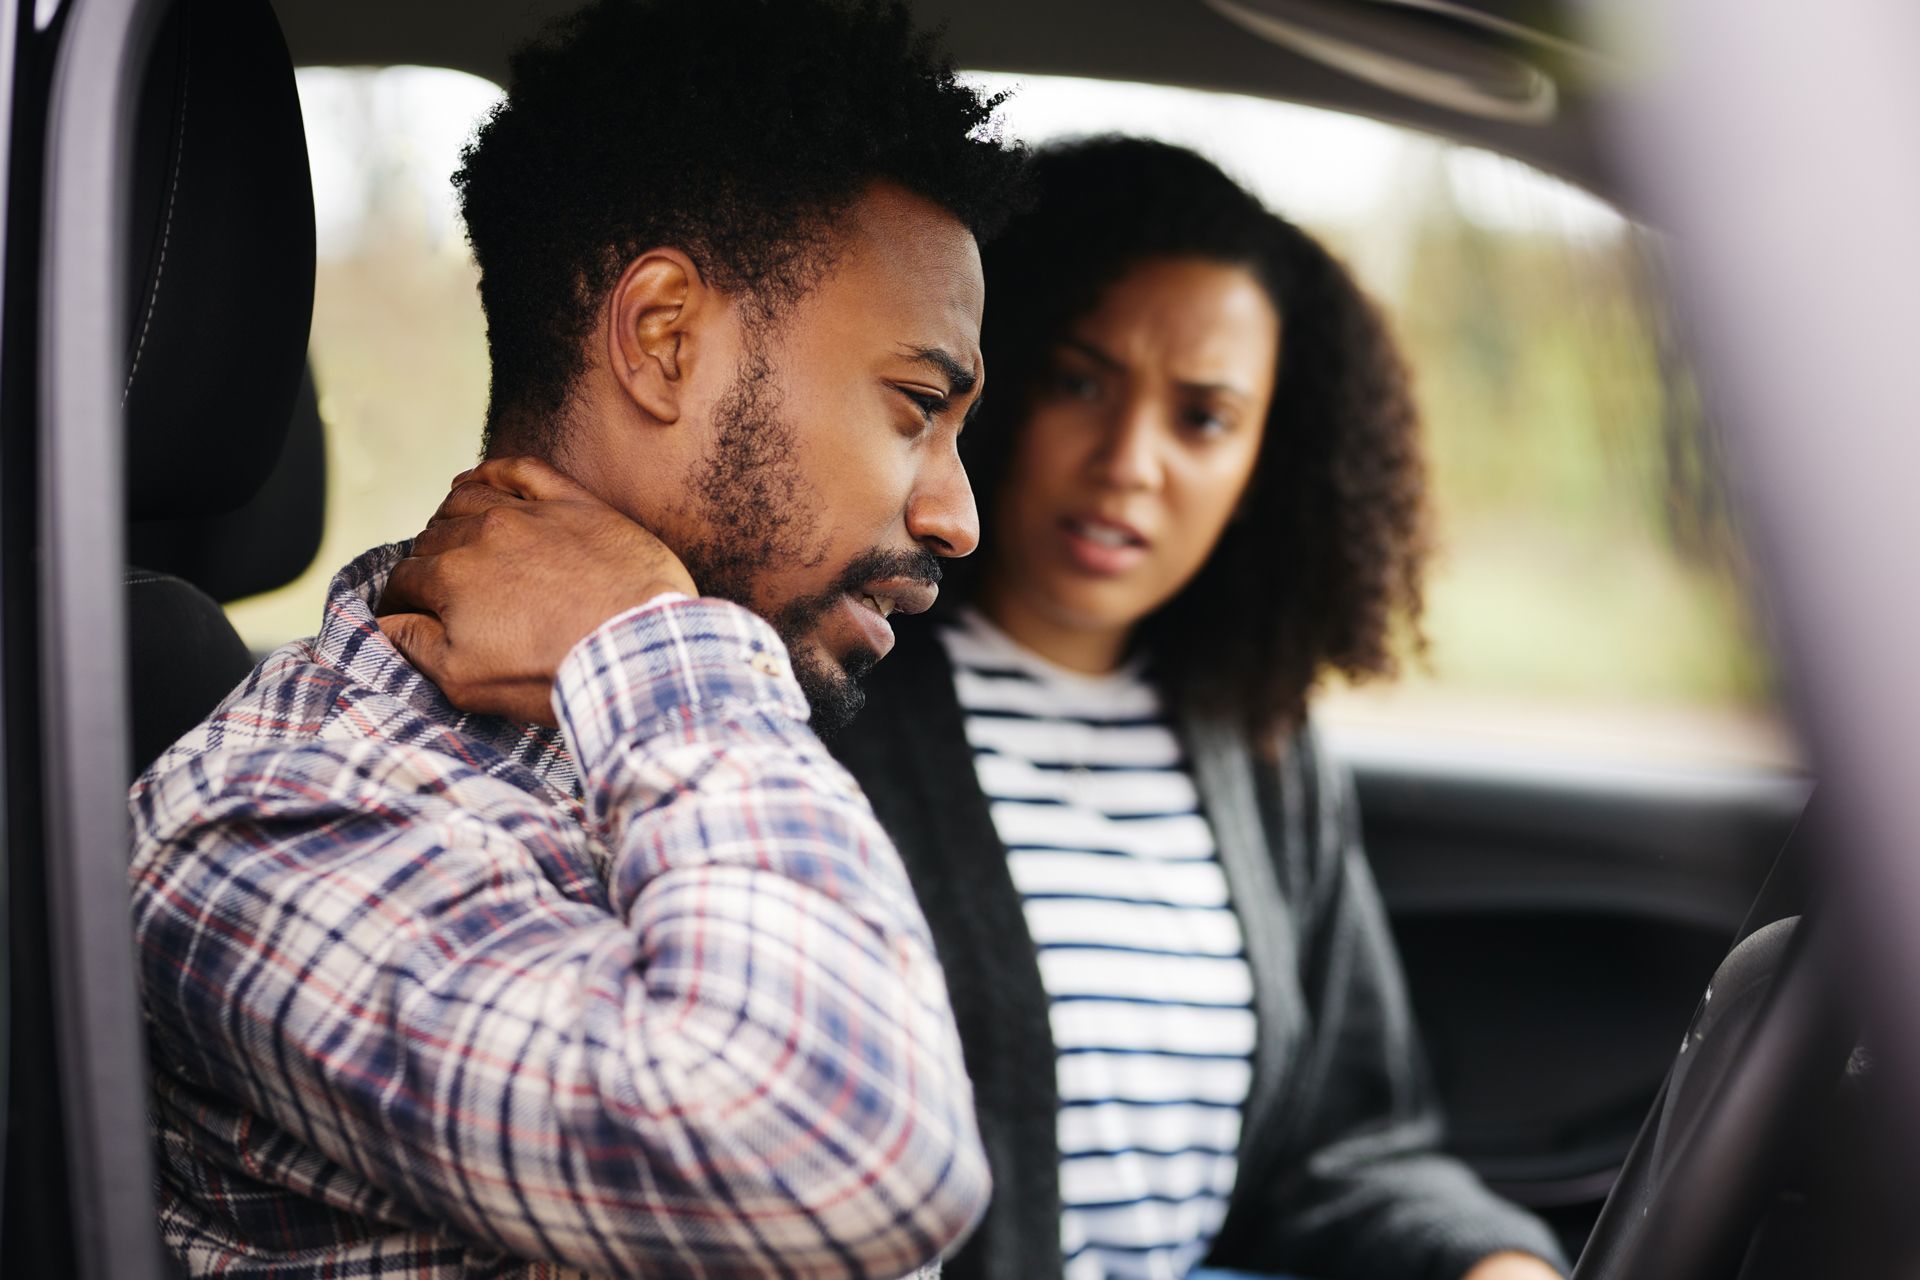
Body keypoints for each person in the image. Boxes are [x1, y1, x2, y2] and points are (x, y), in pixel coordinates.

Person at [127, 1, 1025, 1275]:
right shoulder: (274, 818)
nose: (958, 514)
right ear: (662, 340)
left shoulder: (681, 731)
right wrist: (647, 639)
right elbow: (847, 1155)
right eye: (918, 405)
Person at [830, 137, 1569, 1280]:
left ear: (1271, 458)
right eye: (1081, 381)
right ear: (995, 379)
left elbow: (1342, 1149)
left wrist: (1491, 1262)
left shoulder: (1259, 742)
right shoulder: (839, 686)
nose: (1130, 461)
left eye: (1203, 417)